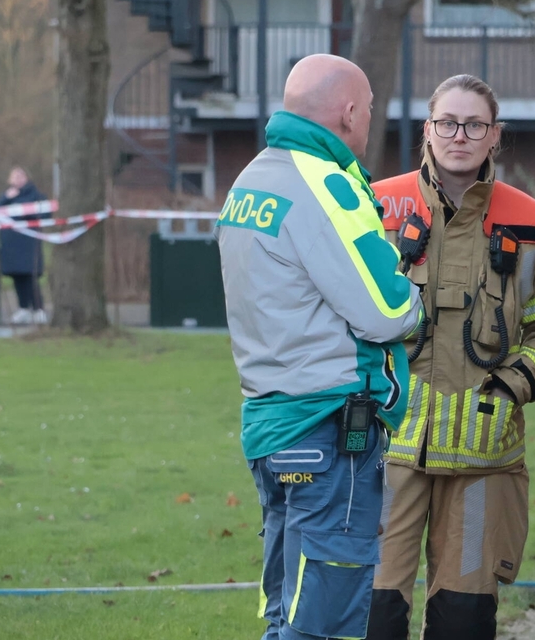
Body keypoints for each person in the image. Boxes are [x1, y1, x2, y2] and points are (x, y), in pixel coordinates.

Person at [215, 54, 423, 640]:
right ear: (349, 111)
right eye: (371, 111)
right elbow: (385, 310)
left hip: (269, 423)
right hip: (330, 428)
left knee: (288, 607)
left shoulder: (251, 179)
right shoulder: (325, 183)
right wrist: (418, 303)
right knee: (324, 617)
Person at [367, 75, 535, 640]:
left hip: (484, 457)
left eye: (474, 125)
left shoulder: (530, 220)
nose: (459, 135)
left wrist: (511, 386)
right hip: (387, 452)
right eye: (447, 123)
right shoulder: (377, 205)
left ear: (495, 136)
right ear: (428, 131)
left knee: (463, 620)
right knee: (372, 611)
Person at [0, 166, 49, 325]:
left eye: (21, 175)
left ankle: (38, 309)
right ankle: (23, 308)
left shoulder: (36, 195)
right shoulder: (5, 197)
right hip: (11, 243)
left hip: (29, 242)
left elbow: (45, 213)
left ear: (27, 178)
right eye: (14, 176)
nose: (18, 179)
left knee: (30, 276)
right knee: (17, 276)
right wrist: (6, 198)